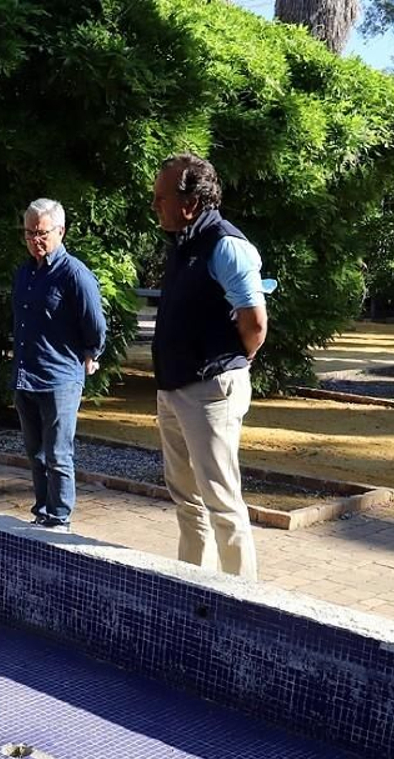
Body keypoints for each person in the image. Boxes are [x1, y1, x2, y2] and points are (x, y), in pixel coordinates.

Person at [151, 153, 265, 580]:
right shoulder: (183, 243)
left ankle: (243, 599)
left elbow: (254, 322)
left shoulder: (225, 245)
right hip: (175, 388)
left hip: (210, 389)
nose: (154, 205)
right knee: (187, 499)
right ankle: (194, 586)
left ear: (192, 202)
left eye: (161, 197)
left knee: (221, 500)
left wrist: (238, 360)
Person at [10, 197, 107, 531]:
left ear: (60, 231)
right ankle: (42, 511)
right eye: (28, 234)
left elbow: (95, 326)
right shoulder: (25, 273)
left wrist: (91, 354)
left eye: (41, 233)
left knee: (58, 455)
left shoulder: (75, 275)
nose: (35, 240)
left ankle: (60, 518)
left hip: (60, 379)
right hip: (26, 377)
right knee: (35, 454)